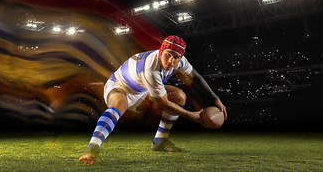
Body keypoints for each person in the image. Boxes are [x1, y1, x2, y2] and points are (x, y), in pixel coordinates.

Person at [79, 35, 227, 165]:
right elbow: (162, 102)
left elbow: (195, 77)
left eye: (176, 57)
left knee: (179, 96)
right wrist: (192, 116)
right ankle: (92, 147)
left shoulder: (180, 61)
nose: (171, 60)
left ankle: (159, 141)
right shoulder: (151, 67)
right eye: (168, 54)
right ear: (161, 50)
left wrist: (216, 99)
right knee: (119, 104)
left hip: (142, 90)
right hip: (120, 86)